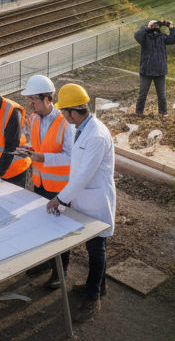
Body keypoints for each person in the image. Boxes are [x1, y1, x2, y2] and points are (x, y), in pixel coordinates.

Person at [45, 84, 116, 324]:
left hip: (96, 200)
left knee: (97, 249)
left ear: (73, 112)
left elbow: (84, 174)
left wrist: (60, 199)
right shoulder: (80, 128)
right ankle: (98, 285)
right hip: (84, 197)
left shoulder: (96, 135)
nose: (62, 115)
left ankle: (93, 297)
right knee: (91, 246)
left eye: (63, 111)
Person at [18, 74, 73, 288]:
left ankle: (60, 271)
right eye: (29, 99)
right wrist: (27, 150)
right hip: (40, 183)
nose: (30, 103)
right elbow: (38, 146)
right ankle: (45, 263)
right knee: (42, 224)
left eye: (33, 99)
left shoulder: (66, 123)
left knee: (60, 229)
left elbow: (70, 156)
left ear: (47, 99)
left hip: (60, 188)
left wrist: (43, 158)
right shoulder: (34, 118)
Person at [134, 19, 175, 117]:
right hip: (146, 70)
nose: (155, 26)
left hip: (160, 70)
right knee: (142, 94)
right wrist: (148, 26)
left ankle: (163, 114)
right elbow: (137, 36)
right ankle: (138, 114)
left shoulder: (162, 37)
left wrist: (171, 27)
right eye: (153, 25)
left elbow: (174, 39)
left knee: (161, 95)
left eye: (156, 25)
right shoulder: (144, 37)